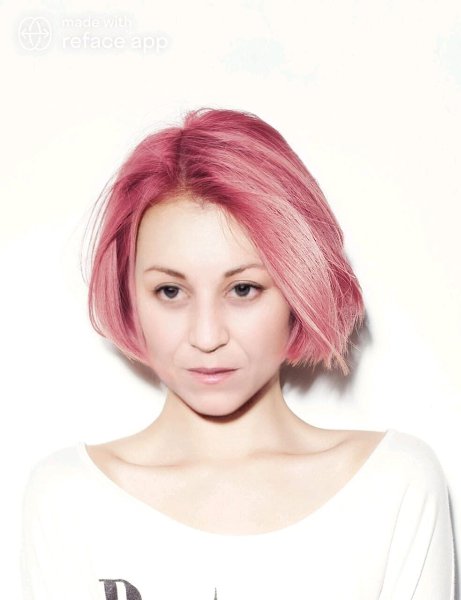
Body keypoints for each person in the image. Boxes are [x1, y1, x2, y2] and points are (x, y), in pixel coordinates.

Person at [20, 108, 455, 599]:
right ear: (129, 295)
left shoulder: (392, 484)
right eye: (170, 291)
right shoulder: (69, 497)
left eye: (243, 289)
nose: (207, 336)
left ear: (297, 288)